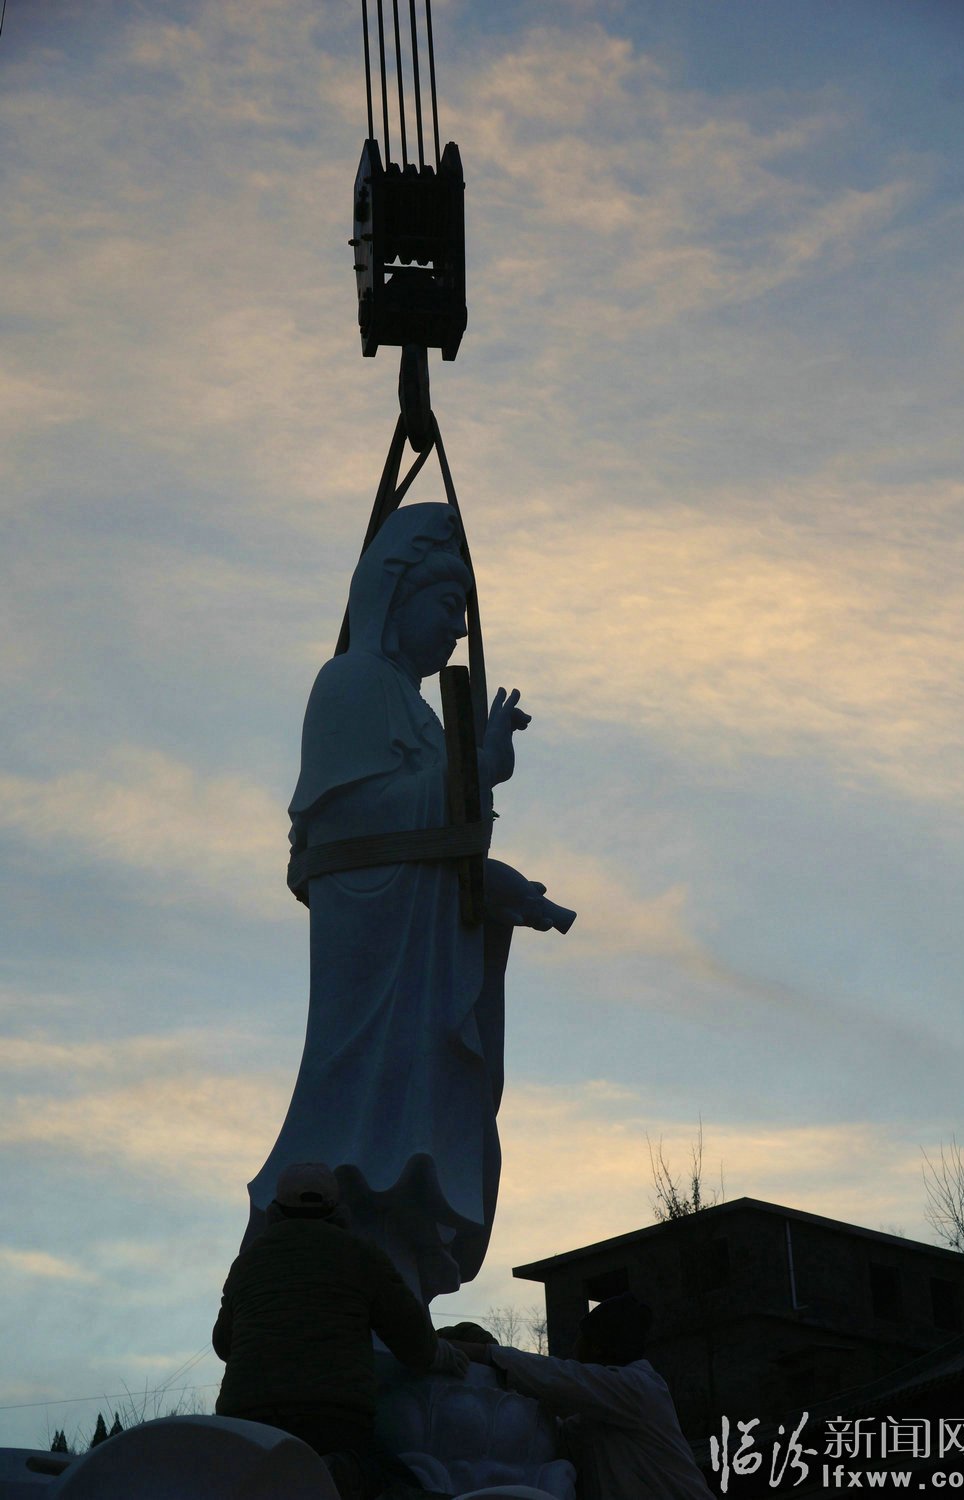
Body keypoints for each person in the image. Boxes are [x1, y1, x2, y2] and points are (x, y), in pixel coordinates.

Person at [244, 502, 572, 1300]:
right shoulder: (351, 682)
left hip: (420, 950)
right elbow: (355, 822)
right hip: (376, 952)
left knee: (422, 1122)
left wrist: (501, 889)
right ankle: (342, 1254)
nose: (458, 629)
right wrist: (475, 772)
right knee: (364, 1126)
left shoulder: (414, 707)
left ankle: (398, 1275)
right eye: (447, 605)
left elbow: (437, 839)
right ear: (396, 598)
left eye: (463, 612)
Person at [213, 1161, 466, 1500]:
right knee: (394, 1481)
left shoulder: (247, 1263)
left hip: (246, 1420)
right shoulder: (358, 1254)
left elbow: (223, 1343)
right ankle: (340, 1473)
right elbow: (413, 1341)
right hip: (332, 1416)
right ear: (335, 1209)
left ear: (275, 1209)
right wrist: (444, 1355)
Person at [449, 1293, 713, 1500]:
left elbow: (557, 1377)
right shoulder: (599, 1416)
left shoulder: (640, 1388)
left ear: (596, 1346)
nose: (575, 1347)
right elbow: (556, 1430)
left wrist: (487, 1355)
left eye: (582, 1338)